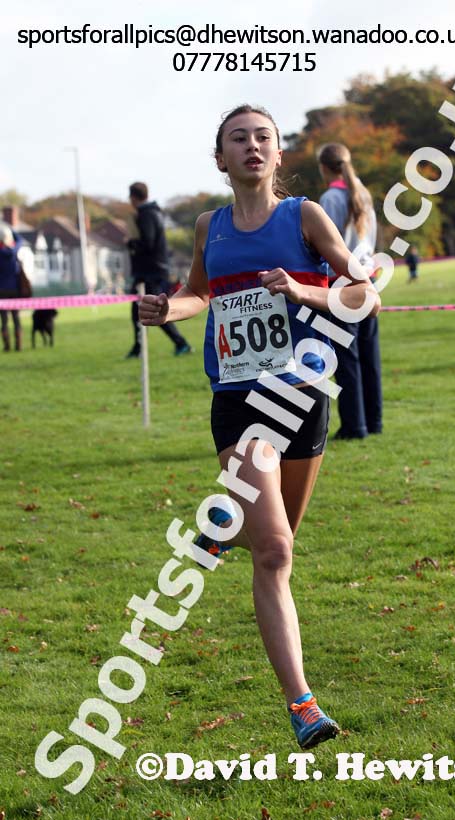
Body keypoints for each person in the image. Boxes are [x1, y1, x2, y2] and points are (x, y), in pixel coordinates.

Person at [139, 105, 380, 749]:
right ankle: (303, 706)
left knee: (279, 539)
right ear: (220, 158)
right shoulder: (207, 227)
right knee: (274, 550)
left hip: (303, 397)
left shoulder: (303, 216)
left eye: (263, 138)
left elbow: (364, 296)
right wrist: (169, 309)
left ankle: (223, 524)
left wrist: (304, 293)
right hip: (240, 401)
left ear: (278, 157)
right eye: (237, 138)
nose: (252, 146)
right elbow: (202, 294)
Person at [317, 143, 383, 439]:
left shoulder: (330, 198)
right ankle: (374, 420)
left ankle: (355, 426)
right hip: (368, 277)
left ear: (324, 167)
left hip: (343, 283)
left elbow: (327, 244)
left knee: (347, 358)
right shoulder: (364, 194)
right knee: (370, 354)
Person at [126, 182, 192, 357]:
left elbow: (148, 242)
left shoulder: (146, 215)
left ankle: (181, 344)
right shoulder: (154, 212)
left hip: (150, 272)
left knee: (154, 311)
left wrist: (131, 243)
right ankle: (139, 348)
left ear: (133, 197)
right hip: (153, 270)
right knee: (139, 312)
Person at [0, 223, 23, 352]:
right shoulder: (13, 251)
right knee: (15, 317)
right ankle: (18, 345)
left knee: (3, 319)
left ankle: (7, 346)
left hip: (1, 290)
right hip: (14, 289)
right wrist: (10, 230)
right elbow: (19, 239)